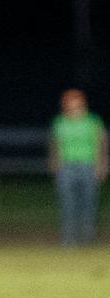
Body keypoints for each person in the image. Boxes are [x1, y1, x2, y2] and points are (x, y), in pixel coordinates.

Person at [49, 89, 108, 246]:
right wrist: (55, 165)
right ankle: (68, 239)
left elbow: (101, 144)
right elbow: (55, 145)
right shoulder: (59, 122)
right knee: (68, 203)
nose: (72, 105)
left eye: (76, 101)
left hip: (88, 166)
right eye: (69, 101)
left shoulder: (93, 121)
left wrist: (102, 166)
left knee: (88, 203)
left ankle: (87, 238)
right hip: (66, 167)